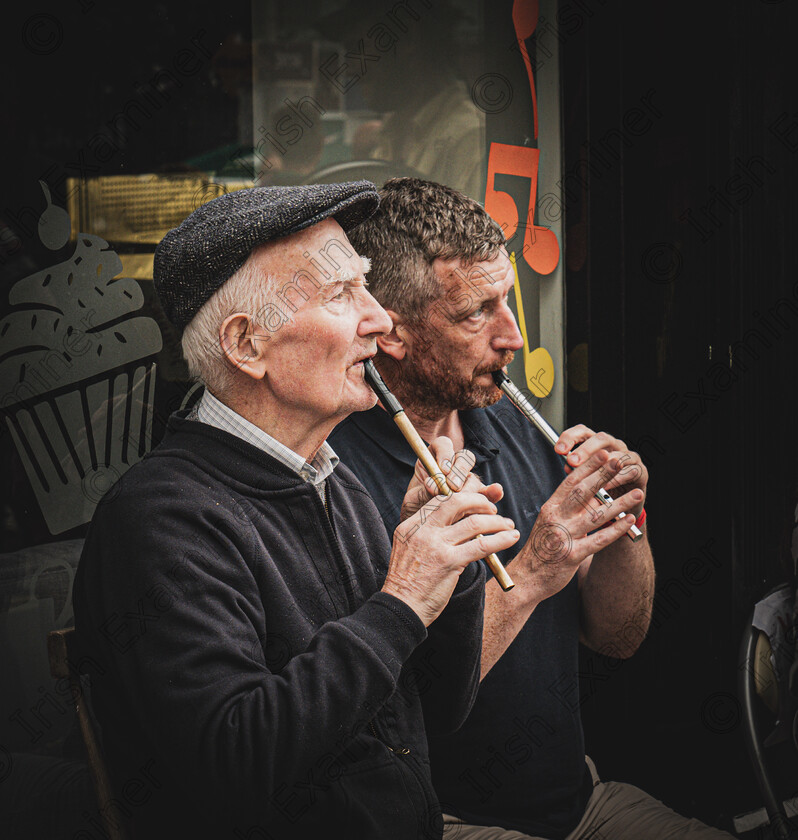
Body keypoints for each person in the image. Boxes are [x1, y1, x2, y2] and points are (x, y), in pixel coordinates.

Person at [73, 181, 522, 840]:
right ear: (246, 344)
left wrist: (450, 579)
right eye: (342, 294)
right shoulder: (160, 519)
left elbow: (438, 714)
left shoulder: (334, 486)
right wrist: (400, 599)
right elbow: (233, 764)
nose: (379, 319)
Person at [329, 177, 736, 839]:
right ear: (391, 334)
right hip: (439, 820)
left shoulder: (511, 426)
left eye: (508, 301)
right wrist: (535, 569)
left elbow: (619, 637)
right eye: (476, 313)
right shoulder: (340, 477)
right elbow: (395, 715)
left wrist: (626, 525)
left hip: (581, 802)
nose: (512, 336)